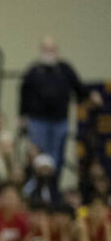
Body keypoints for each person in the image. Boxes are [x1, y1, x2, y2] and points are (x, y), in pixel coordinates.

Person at [19, 36, 103, 174]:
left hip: (60, 121)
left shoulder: (65, 69)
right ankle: (39, 186)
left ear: (57, 50)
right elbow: (24, 95)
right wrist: (22, 116)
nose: (49, 52)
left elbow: (79, 87)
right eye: (46, 49)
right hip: (37, 121)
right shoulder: (33, 71)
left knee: (57, 158)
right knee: (38, 156)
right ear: (41, 50)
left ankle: (53, 188)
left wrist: (90, 95)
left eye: (52, 49)